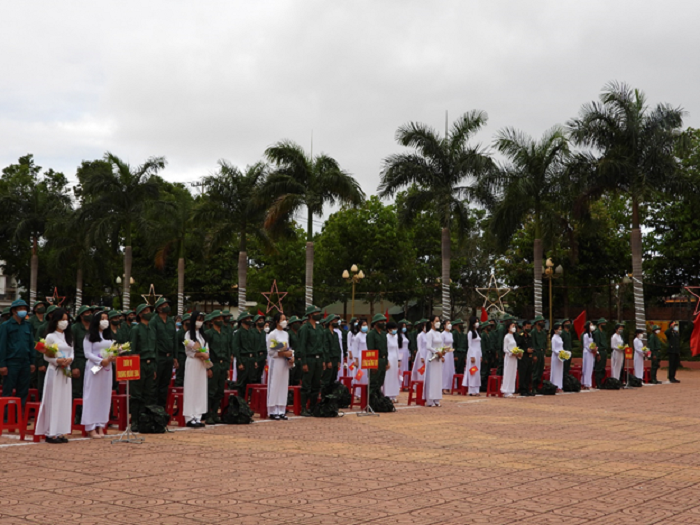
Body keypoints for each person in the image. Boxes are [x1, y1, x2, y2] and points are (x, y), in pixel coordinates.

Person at [35, 308, 73, 443]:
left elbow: (71, 352)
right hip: (54, 370)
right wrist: (57, 361)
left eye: (66, 319)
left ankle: (61, 430)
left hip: (66, 371)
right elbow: (46, 356)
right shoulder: (50, 336)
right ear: (56, 321)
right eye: (62, 319)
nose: (65, 322)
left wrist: (69, 360)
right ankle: (51, 432)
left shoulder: (68, 336)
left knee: (65, 400)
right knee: (54, 399)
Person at [82, 310, 116, 438]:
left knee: (104, 395)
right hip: (94, 367)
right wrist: (101, 361)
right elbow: (88, 354)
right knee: (92, 395)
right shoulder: (89, 336)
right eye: (102, 318)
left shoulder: (108, 337)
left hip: (107, 369)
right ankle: (90, 427)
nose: (105, 321)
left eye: (106, 318)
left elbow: (113, 349)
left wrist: (113, 356)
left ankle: (101, 425)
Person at [0, 299, 35, 409]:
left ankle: (19, 416)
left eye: (25, 309)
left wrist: (32, 362)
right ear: (14, 311)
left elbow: (31, 344)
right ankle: (6, 417)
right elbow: (2, 346)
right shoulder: (6, 326)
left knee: (23, 391)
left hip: (25, 362)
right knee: (8, 391)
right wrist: (2, 364)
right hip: (11, 362)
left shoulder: (27, 326)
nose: (23, 311)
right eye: (20, 309)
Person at [129, 304, 157, 432]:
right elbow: (132, 349)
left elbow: (155, 348)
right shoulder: (136, 329)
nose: (149, 313)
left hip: (151, 363)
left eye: (149, 311)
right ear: (140, 314)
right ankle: (134, 420)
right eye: (146, 311)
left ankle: (144, 419)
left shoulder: (152, 329)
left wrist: (154, 367)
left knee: (148, 393)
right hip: (139, 362)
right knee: (136, 394)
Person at [182, 311, 209, 427]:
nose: (200, 321)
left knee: (200, 388)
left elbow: (207, 350)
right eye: (198, 319)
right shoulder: (188, 334)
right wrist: (200, 354)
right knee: (191, 388)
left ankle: (198, 416)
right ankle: (189, 417)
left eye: (202, 319)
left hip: (202, 364)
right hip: (193, 362)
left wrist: (206, 355)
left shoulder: (203, 335)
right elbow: (188, 351)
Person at [151, 298, 178, 408]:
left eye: (168, 304)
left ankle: (162, 408)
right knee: (155, 384)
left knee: (165, 385)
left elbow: (175, 339)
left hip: (169, 357)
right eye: (164, 305)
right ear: (158, 308)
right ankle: (154, 408)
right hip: (159, 356)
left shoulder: (171, 321)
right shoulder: (154, 321)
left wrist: (175, 357)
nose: (167, 306)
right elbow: (153, 340)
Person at [299, 305, 325, 416]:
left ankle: (313, 407)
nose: (318, 315)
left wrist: (323, 360)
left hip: (319, 359)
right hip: (309, 359)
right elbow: (302, 346)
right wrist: (304, 362)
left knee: (316, 385)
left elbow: (322, 344)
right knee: (306, 385)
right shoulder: (304, 328)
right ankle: (303, 408)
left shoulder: (320, 328)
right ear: (310, 315)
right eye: (316, 313)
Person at [266, 313, 293, 420]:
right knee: (274, 385)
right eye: (282, 319)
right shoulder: (272, 334)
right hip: (275, 361)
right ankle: (272, 410)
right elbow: (271, 351)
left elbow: (288, 348)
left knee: (283, 384)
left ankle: (281, 409)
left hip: (284, 363)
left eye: (285, 319)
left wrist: (291, 356)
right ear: (277, 321)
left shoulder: (286, 334)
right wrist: (283, 351)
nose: (285, 321)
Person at [204, 310, 229, 424]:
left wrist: (227, 367)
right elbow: (206, 350)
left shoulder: (224, 334)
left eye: (221, 318)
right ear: (213, 320)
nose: (221, 320)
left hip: (223, 364)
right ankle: (208, 414)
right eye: (218, 319)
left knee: (219, 391)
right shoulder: (209, 333)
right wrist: (208, 367)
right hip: (214, 364)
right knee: (211, 391)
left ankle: (215, 413)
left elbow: (228, 350)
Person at [71, 306, 93, 423]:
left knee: (89, 389)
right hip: (79, 360)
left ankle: (87, 414)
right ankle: (76, 414)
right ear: (81, 315)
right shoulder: (75, 328)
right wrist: (74, 366)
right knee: (77, 390)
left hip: (92, 362)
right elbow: (71, 348)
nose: (89, 314)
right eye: (86, 313)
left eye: (90, 312)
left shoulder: (94, 329)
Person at [233, 311, 256, 401]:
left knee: (250, 381)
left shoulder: (251, 332)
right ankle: (240, 401)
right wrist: (240, 362)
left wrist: (255, 360)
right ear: (242, 320)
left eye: (250, 318)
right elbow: (236, 348)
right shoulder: (238, 333)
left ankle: (247, 401)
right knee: (241, 382)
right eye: (247, 319)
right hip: (243, 358)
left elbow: (254, 347)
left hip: (251, 359)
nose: (249, 320)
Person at [423, 316, 444, 407]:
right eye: (436, 321)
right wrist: (436, 352)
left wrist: (443, 352)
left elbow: (441, 345)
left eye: (439, 321)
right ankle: (430, 399)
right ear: (432, 322)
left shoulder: (439, 334)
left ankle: (437, 399)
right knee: (432, 378)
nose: (438, 322)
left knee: (438, 378)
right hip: (432, 358)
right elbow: (428, 346)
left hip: (438, 359)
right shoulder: (429, 334)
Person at [366, 314, 389, 401]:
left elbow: (385, 348)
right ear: (375, 323)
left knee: (380, 381)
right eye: (381, 321)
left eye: (384, 321)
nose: (383, 323)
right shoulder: (371, 334)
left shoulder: (384, 334)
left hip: (383, 360)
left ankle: (378, 399)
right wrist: (372, 364)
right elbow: (370, 350)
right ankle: (372, 400)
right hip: (376, 359)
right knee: (373, 382)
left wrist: (386, 362)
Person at [29, 300, 49, 395]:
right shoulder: (31, 321)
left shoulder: (47, 319)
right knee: (35, 376)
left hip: (46, 350)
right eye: (39, 306)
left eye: (42, 305)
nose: (41, 307)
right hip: (35, 348)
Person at [462, 317, 482, 396]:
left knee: (477, 371)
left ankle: (477, 389)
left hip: (477, 353)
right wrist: (472, 356)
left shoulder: (477, 332)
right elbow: (470, 345)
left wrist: (480, 355)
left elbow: (479, 345)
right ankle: (471, 389)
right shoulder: (470, 333)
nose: (477, 323)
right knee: (472, 371)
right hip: (472, 354)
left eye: (478, 321)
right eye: (476, 321)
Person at [321, 314, 342, 388]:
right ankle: (325, 396)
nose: (336, 322)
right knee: (327, 379)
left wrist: (339, 359)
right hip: (330, 358)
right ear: (330, 322)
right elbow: (325, 347)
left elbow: (338, 347)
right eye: (335, 321)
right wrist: (327, 360)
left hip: (335, 358)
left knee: (334, 378)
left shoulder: (336, 334)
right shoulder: (325, 332)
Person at [351, 318, 369, 399]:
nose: (365, 327)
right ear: (359, 327)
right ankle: (358, 393)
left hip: (367, 356)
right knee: (360, 374)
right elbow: (355, 348)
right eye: (363, 325)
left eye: (366, 325)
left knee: (366, 375)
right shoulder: (357, 336)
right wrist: (356, 360)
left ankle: (365, 392)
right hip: (360, 356)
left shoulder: (367, 335)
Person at [501, 320, 519, 397]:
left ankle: (511, 390)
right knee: (508, 373)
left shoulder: (513, 336)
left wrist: (517, 353)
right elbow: (505, 349)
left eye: (514, 326)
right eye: (512, 326)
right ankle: (505, 390)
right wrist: (511, 353)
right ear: (508, 328)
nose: (514, 328)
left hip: (514, 358)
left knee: (513, 373)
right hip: (509, 357)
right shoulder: (507, 336)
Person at [384, 321, 401, 401]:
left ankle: (394, 395)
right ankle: (387, 395)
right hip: (389, 358)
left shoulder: (396, 336)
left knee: (394, 376)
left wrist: (399, 359)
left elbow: (397, 349)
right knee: (388, 376)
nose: (395, 330)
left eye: (395, 328)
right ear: (388, 329)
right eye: (393, 328)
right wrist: (386, 361)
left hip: (395, 358)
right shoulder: (386, 337)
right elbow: (385, 350)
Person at [516, 320, 534, 396]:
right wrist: (526, 350)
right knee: (523, 373)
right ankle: (522, 389)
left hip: (529, 357)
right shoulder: (520, 335)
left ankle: (527, 389)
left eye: (530, 327)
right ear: (523, 327)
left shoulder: (529, 336)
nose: (528, 328)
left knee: (528, 373)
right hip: (523, 356)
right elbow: (518, 346)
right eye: (527, 326)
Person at [531, 316, 547, 389]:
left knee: (541, 369)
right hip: (536, 352)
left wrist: (544, 352)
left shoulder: (543, 332)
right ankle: (533, 387)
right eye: (541, 321)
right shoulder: (533, 332)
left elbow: (545, 343)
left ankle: (538, 386)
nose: (543, 323)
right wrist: (534, 355)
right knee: (536, 370)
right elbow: (533, 344)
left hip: (542, 352)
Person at [175, 313, 190, 388]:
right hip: (181, 356)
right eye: (188, 320)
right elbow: (176, 346)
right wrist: (176, 359)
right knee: (180, 375)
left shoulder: (190, 333)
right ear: (184, 322)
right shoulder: (179, 333)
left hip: (189, 356)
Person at [593, 318, 609, 388]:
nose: (605, 325)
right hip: (600, 351)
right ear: (600, 324)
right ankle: (598, 383)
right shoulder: (596, 333)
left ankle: (601, 382)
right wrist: (597, 353)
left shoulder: (603, 333)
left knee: (603, 367)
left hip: (604, 351)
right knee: (598, 367)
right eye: (603, 324)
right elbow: (596, 344)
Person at [549, 323, 565, 391]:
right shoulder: (554, 338)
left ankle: (560, 385)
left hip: (561, 357)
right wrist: (559, 353)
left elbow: (561, 346)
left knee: (560, 371)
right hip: (556, 356)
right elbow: (553, 349)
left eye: (561, 329)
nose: (560, 330)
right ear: (555, 330)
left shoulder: (560, 338)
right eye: (559, 329)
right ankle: (555, 385)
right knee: (555, 371)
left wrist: (564, 353)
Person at [441, 320, 455, 394]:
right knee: (445, 370)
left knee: (450, 370)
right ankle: (444, 387)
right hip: (445, 354)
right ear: (444, 325)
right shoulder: (442, 334)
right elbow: (441, 345)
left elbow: (451, 345)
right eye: (448, 323)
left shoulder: (451, 334)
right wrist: (442, 356)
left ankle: (449, 386)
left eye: (450, 323)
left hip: (450, 353)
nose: (450, 325)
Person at [581, 321, 596, 390]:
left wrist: (594, 349)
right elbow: (586, 345)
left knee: (590, 367)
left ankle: (588, 383)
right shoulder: (585, 335)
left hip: (590, 353)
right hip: (587, 352)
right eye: (591, 325)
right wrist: (591, 349)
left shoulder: (591, 334)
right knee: (587, 367)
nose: (592, 326)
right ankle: (586, 383)